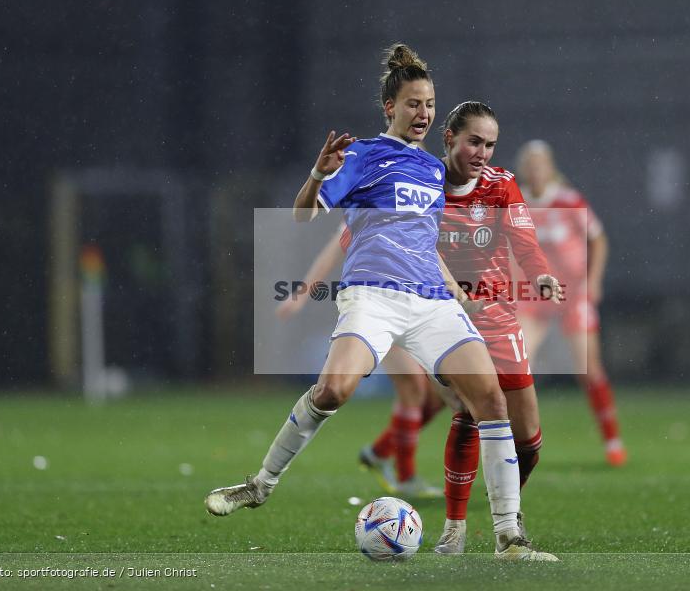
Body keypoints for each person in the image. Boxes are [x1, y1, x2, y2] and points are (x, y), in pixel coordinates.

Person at [204, 43, 557, 561]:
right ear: (390, 107)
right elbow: (303, 216)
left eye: (430, 104)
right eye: (414, 103)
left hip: (432, 302)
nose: (424, 113)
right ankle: (260, 484)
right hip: (373, 295)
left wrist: (458, 293)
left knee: (492, 402)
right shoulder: (365, 155)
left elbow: (425, 241)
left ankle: (510, 539)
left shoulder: (434, 172)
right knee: (332, 391)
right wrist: (319, 174)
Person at [429, 102, 565, 554]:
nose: (483, 152)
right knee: (474, 413)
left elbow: (525, 243)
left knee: (529, 441)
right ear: (449, 138)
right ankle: (457, 528)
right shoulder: (422, 184)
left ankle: (503, 511)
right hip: (445, 316)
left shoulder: (501, 184)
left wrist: (541, 274)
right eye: (474, 141)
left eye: (489, 144)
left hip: (498, 314)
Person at [276, 224, 444, 498]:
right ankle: (404, 476)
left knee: (436, 397)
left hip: (420, 305)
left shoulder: (421, 199)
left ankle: (380, 454)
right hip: (377, 307)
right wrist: (302, 294)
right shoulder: (373, 199)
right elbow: (333, 250)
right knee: (413, 388)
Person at [514, 140, 627, 467]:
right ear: (524, 169)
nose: (536, 169)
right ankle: (520, 441)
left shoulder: (568, 200)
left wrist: (594, 280)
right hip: (533, 295)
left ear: (550, 167)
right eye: (531, 164)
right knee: (518, 366)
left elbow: (599, 238)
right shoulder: (516, 201)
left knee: (590, 369)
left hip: (572, 293)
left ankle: (612, 440)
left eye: (541, 163)